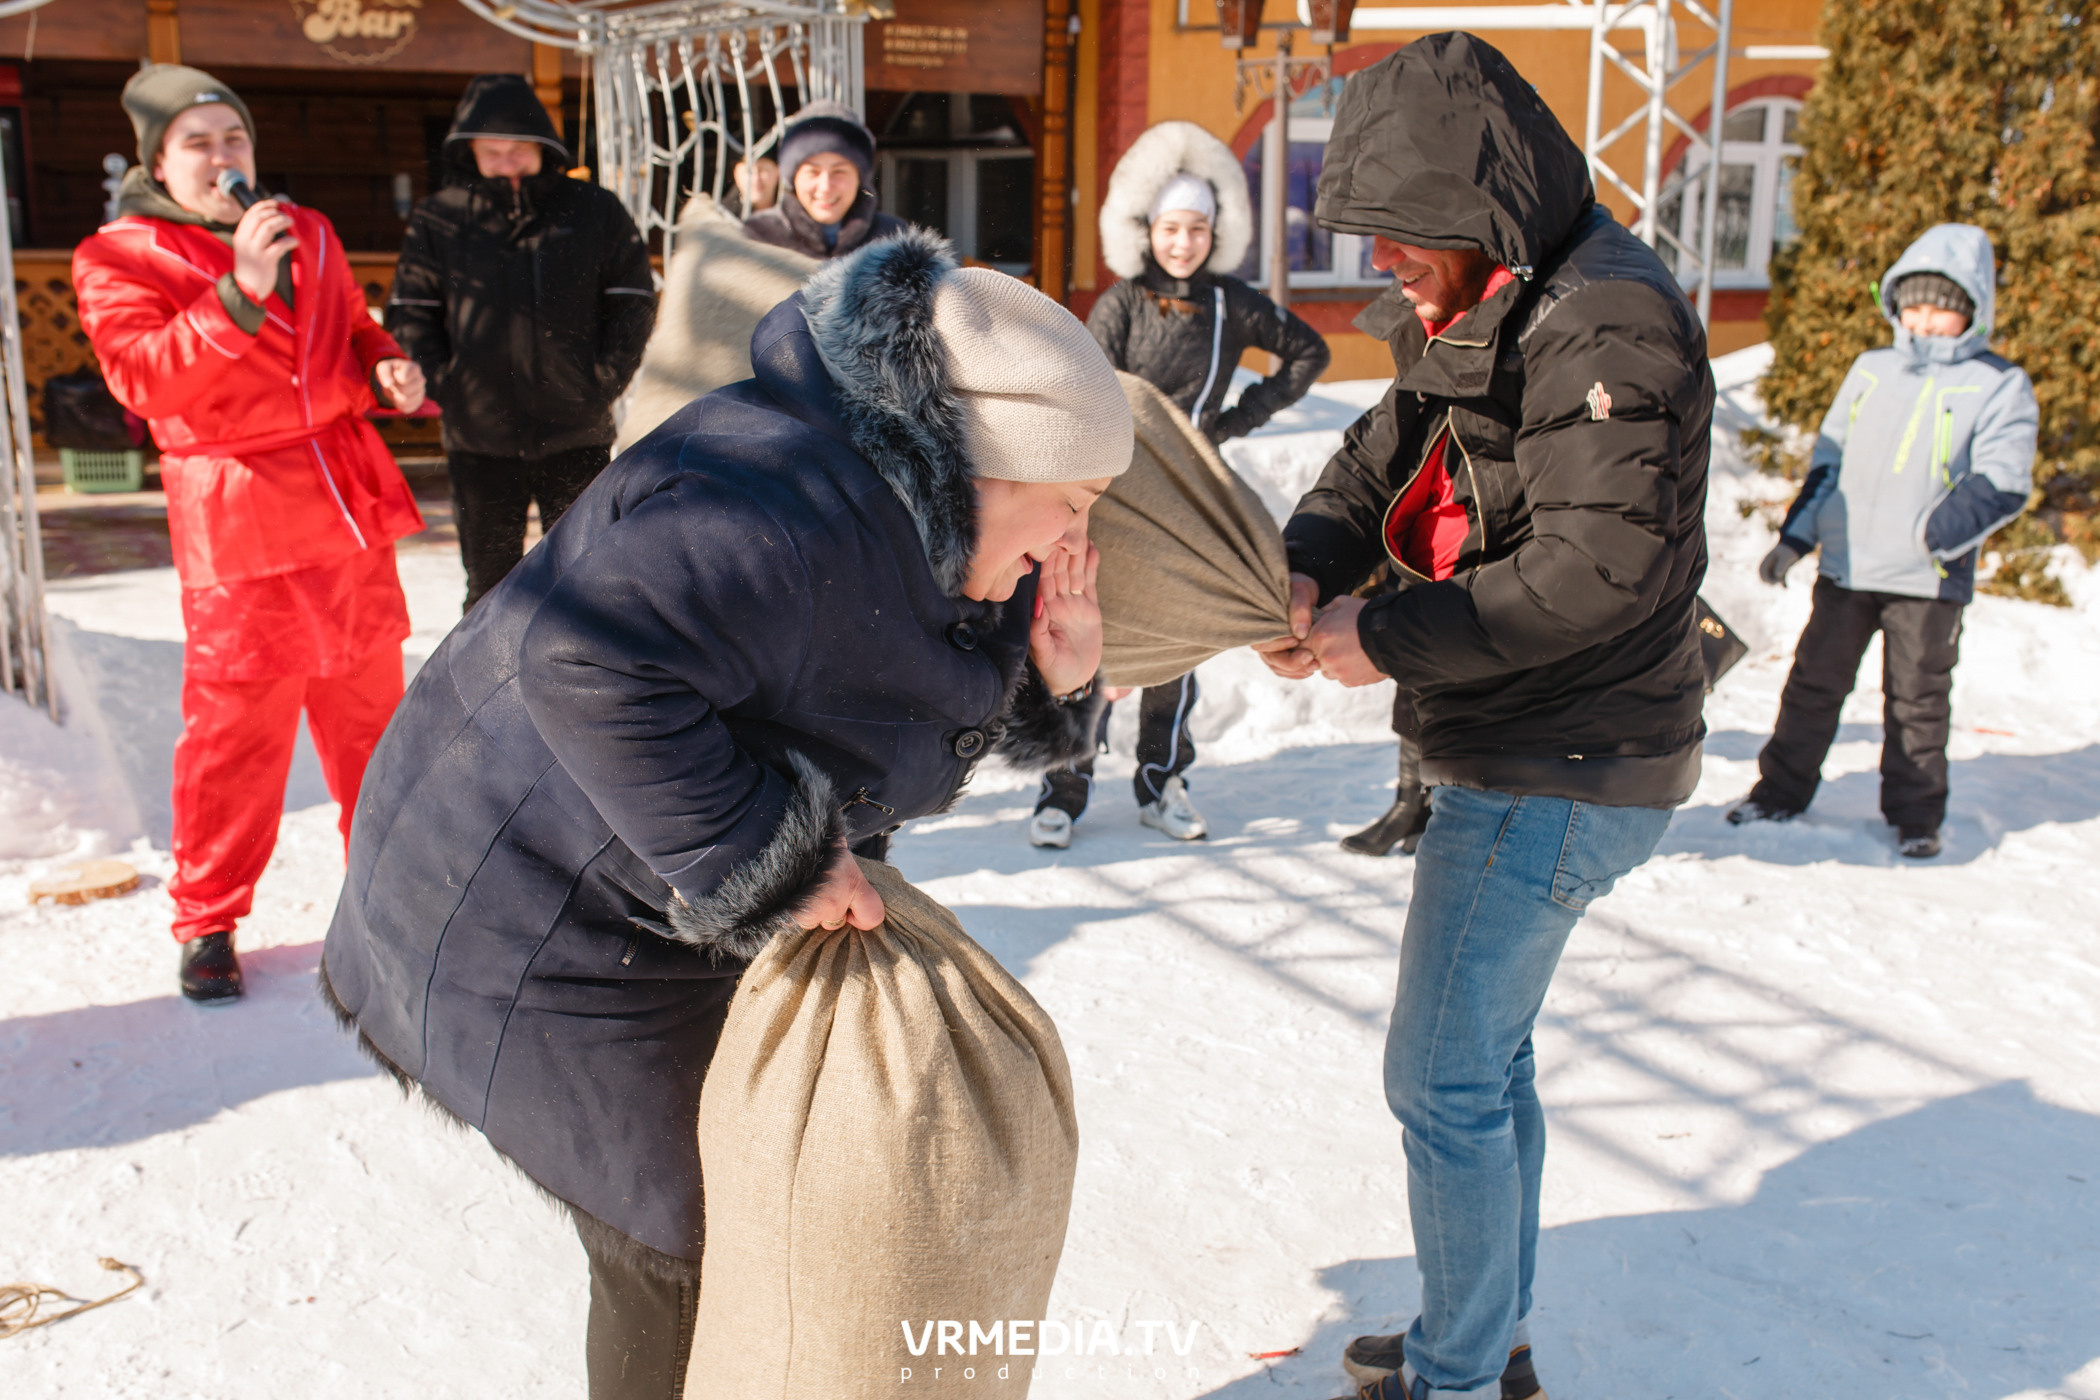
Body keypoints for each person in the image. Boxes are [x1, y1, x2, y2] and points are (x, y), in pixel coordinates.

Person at [320, 230, 1130, 1400]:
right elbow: (585, 663)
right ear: (992, 461)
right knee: (694, 1238)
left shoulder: (929, 515)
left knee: (749, 1205)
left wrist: (1053, 675)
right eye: (1073, 500)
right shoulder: (788, 502)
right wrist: (776, 857)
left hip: (636, 876)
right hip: (530, 898)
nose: (1074, 536)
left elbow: (895, 676)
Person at [1252, 35, 1713, 1400]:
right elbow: (1378, 450)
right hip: (1537, 742)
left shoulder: (1604, 318)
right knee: (1487, 1065)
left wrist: (1382, 636)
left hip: (1561, 760)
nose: (1382, 261)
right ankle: (1484, 1330)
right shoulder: (1487, 297)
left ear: (1479, 207)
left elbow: (1595, 566)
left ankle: (1457, 1375)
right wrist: (1313, 562)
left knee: (1442, 1080)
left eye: (1402, 234)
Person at [73, 65, 426, 1005]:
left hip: (347, 507)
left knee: (372, 730)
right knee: (236, 739)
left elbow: (352, 325)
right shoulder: (117, 255)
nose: (225, 158)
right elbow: (144, 382)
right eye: (200, 142)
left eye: (235, 138)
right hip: (240, 523)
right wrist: (239, 292)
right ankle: (209, 916)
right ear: (157, 159)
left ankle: (388, 895)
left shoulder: (306, 226)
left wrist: (385, 366)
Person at [1030, 120, 1330, 850]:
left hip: (1195, 494)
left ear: (1215, 233)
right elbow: (1085, 382)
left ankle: (1163, 782)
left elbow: (1307, 351)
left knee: (1177, 643)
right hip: (1117, 496)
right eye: (1171, 228)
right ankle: (1063, 786)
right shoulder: (1124, 301)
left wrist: (1234, 420)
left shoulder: (1231, 303)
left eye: (1197, 229)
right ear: (1147, 230)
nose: (1183, 242)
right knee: (1090, 638)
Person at [1729, 225, 2034, 859]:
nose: (1925, 318)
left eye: (1943, 305)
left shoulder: (1999, 385)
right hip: (1847, 568)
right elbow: (1829, 462)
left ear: (1974, 308)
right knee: (1812, 687)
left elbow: (2003, 481)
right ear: (1895, 302)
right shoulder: (1872, 370)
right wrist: (1796, 540)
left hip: (1928, 578)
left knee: (1917, 704)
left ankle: (1916, 817)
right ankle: (1777, 794)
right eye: (1915, 302)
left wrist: (1932, 537)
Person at [387, 73, 656, 611]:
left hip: (576, 428)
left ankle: (583, 685)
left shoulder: (593, 210)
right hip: (479, 436)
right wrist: (449, 383)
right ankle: (487, 690)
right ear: (472, 154)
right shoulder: (440, 218)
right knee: (489, 585)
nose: (506, 162)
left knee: (585, 576)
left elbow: (632, 299)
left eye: (518, 150)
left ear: (542, 147)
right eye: (493, 152)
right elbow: (411, 310)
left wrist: (600, 382)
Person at [740, 99, 907, 260]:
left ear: (859, 177)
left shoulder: (895, 240)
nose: (825, 187)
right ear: (793, 178)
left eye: (839, 171)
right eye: (813, 172)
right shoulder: (759, 237)